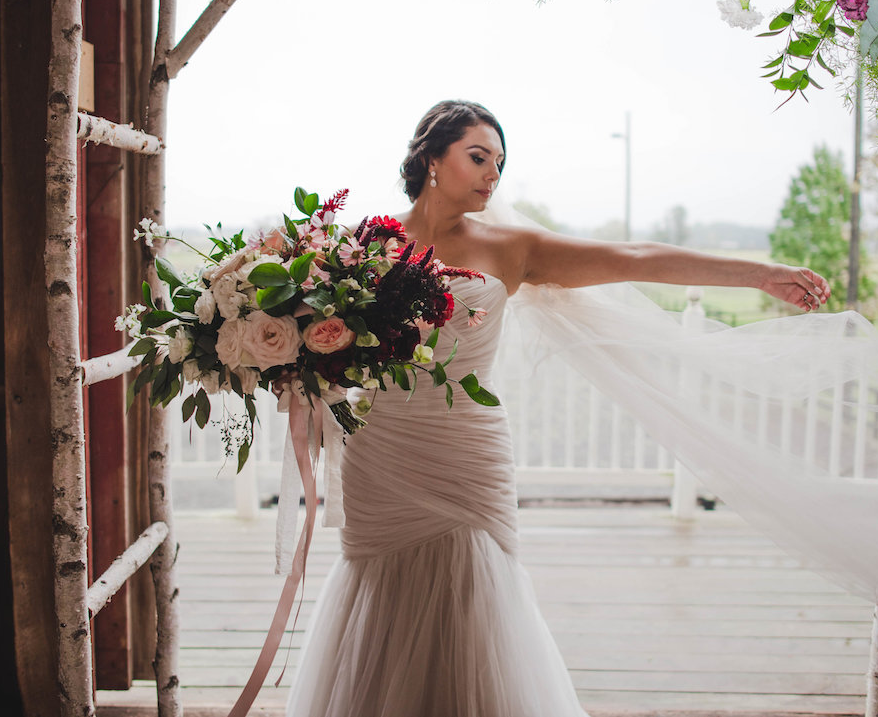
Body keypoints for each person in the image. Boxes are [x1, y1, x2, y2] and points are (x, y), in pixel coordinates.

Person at [282, 100, 833, 716]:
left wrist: (761, 274)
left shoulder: (514, 247)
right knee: (381, 592)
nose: (493, 174)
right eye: (478, 157)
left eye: (500, 163)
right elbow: (314, 333)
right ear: (431, 159)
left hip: (466, 451)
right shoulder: (362, 245)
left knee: (475, 586)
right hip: (382, 451)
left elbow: (635, 257)